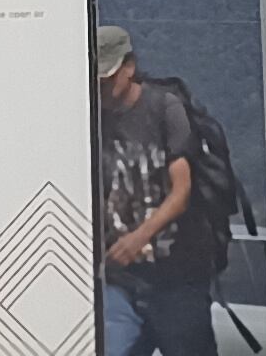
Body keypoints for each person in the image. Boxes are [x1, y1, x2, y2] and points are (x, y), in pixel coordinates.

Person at [94, 25, 212, 356]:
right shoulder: (92, 118)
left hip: (176, 273)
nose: (101, 89)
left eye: (107, 79)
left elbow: (182, 190)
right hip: (118, 277)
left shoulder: (164, 109)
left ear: (129, 67)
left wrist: (138, 237)